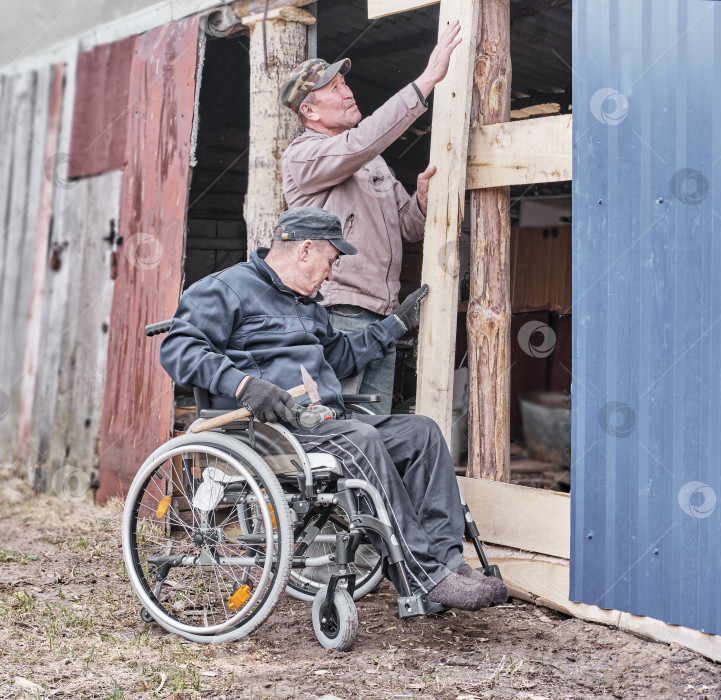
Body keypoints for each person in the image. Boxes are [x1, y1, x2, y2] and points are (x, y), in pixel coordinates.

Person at [160, 207, 507, 611]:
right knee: (362, 437)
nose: (330, 274)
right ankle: (423, 575)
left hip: (323, 425)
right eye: (331, 261)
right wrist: (244, 384)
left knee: (422, 432)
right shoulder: (225, 289)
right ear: (305, 249)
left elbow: (337, 358)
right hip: (269, 430)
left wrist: (395, 324)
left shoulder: (307, 304)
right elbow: (178, 348)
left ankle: (448, 565)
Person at [279, 21, 462, 414]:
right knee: (336, 426)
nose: (347, 92)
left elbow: (408, 227)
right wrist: (428, 78)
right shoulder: (303, 156)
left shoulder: (370, 161)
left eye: (346, 85)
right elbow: (360, 142)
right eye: (334, 90)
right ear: (308, 111)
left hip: (382, 314)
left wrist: (422, 202)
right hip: (337, 312)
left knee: (372, 429)